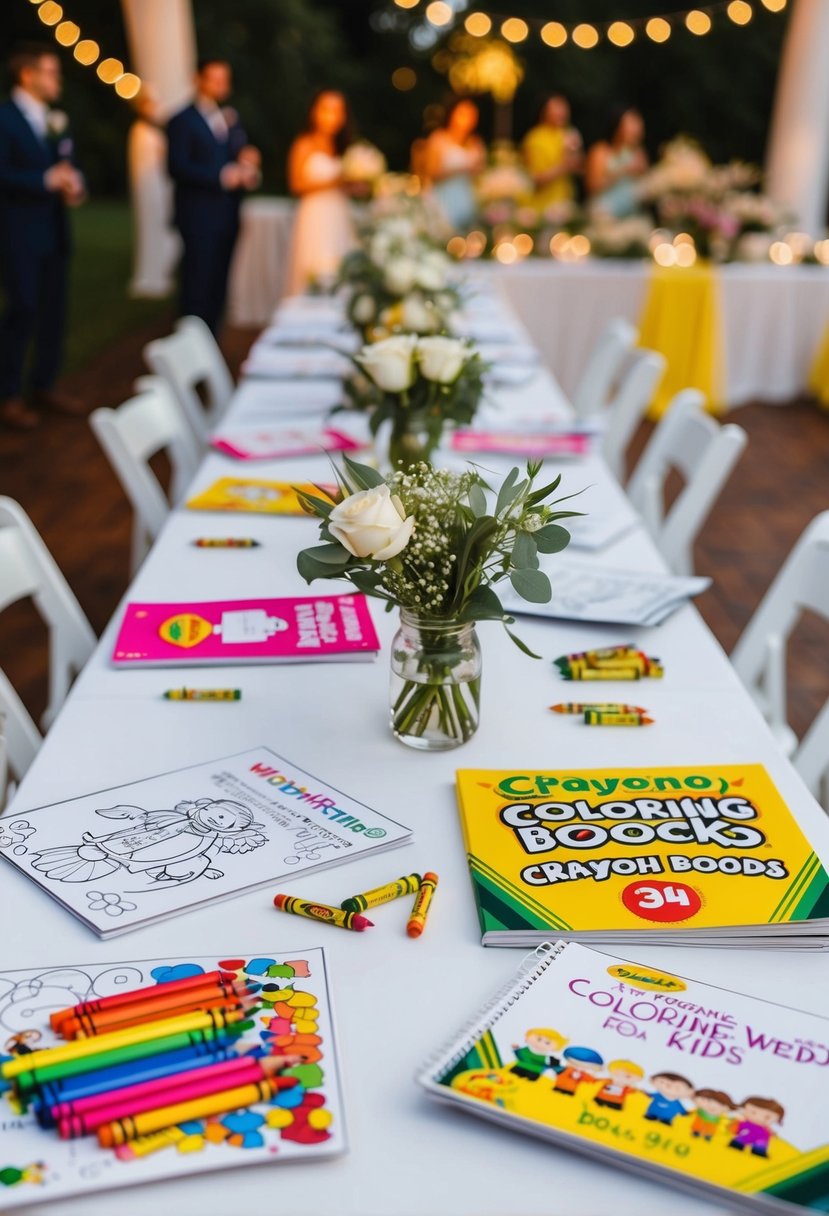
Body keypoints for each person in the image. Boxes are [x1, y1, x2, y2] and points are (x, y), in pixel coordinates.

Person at [0, 43, 86, 430]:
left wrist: (72, 183)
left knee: (55, 311)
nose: (58, 79)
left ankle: (45, 384)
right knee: (23, 310)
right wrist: (43, 180)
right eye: (52, 72)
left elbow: (65, 164)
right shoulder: (4, 118)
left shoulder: (55, 119)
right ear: (27, 75)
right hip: (19, 233)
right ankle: (9, 395)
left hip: (54, 231)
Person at [167, 59, 261, 334]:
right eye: (215, 78)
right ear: (199, 79)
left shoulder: (230, 117)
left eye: (225, 79)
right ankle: (189, 353)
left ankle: (212, 349)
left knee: (219, 288)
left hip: (228, 216)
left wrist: (248, 165)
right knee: (196, 287)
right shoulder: (181, 120)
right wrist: (221, 176)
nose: (222, 84)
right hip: (197, 217)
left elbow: (237, 154)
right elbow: (177, 167)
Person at [285, 89, 357, 296]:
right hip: (315, 215)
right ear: (314, 112)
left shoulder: (342, 148)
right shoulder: (304, 144)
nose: (331, 116)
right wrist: (336, 180)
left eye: (337, 110)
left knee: (339, 264)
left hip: (339, 213)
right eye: (326, 109)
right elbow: (296, 185)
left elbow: (345, 186)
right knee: (314, 266)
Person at [127, 86, 180, 298]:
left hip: (158, 186)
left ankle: (159, 270)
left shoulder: (148, 131)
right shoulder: (141, 131)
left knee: (162, 228)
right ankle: (153, 273)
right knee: (156, 227)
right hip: (151, 188)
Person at [422, 97, 486, 232]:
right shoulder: (438, 138)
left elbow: (480, 174)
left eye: (472, 115)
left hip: (466, 196)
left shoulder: (475, 142)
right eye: (463, 113)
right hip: (442, 198)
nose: (467, 119)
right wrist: (461, 169)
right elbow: (431, 173)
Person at [521, 95, 583, 212]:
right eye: (556, 108)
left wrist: (575, 152)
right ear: (544, 112)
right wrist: (564, 165)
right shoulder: (535, 138)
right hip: (541, 207)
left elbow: (579, 170)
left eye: (563, 108)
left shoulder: (569, 134)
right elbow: (535, 179)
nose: (562, 113)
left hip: (566, 201)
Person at [586, 106, 648, 219]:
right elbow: (593, 186)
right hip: (604, 213)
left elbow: (645, 186)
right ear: (617, 126)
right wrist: (624, 170)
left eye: (637, 124)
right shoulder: (600, 151)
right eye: (630, 124)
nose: (635, 129)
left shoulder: (638, 152)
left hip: (633, 214)